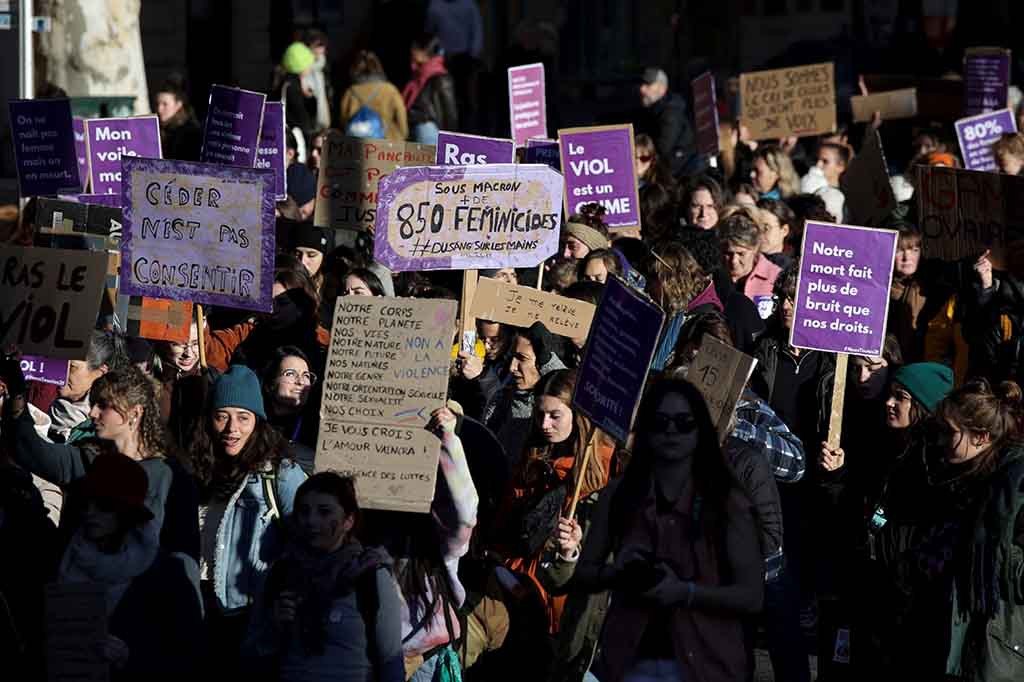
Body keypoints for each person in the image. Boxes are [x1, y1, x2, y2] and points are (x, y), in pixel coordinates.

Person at [571, 379, 764, 681]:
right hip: (630, 657)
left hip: (705, 659)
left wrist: (686, 592)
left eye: (684, 422)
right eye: (660, 422)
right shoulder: (620, 494)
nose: (671, 431)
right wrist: (619, 573)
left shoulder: (728, 502)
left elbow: (751, 596)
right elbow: (584, 573)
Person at [3, 362, 199, 564]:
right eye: (94, 403)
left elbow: (184, 556)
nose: (92, 413)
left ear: (135, 413)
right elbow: (28, 448)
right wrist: (17, 392)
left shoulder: (173, 477)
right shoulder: (87, 459)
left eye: (104, 405)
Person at [490, 369, 616, 679]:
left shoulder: (603, 472)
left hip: (559, 612)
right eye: (539, 414)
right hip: (516, 590)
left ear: (578, 415)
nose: (544, 424)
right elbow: (509, 516)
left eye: (555, 416)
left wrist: (571, 548)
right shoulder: (533, 453)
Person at [184, 364, 306, 673]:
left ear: (258, 422)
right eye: (222, 416)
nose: (231, 429)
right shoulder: (198, 471)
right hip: (200, 611)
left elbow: (309, 540)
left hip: (250, 618)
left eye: (243, 418)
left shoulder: (281, 474)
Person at [245, 472, 405, 682]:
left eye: (324, 512)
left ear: (348, 521)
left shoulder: (370, 578)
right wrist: (273, 627)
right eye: (304, 511)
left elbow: (391, 663)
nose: (311, 521)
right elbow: (249, 659)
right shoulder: (280, 575)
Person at [57, 453, 203, 681]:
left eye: (104, 505)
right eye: (86, 503)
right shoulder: (65, 556)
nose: (91, 512)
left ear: (126, 512)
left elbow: (187, 659)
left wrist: (131, 658)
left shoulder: (168, 574)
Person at [937, 380, 1024, 680]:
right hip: (956, 632)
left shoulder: (1016, 487)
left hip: (997, 646)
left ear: (982, 436)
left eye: (950, 432)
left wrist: (993, 549)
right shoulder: (960, 478)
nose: (941, 440)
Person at [482, 322, 567, 462]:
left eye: (522, 358)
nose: (512, 367)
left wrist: (549, 365)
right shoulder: (502, 399)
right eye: (512, 357)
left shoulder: (566, 408)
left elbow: (565, 381)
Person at [647, 240, 723, 372]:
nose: (648, 287)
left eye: (653, 279)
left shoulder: (707, 321)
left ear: (670, 281)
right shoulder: (673, 309)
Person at [47, 331, 127, 443]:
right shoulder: (46, 404)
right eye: (61, 364)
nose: (61, 372)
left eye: (72, 367)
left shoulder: (100, 432)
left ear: (100, 373)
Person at [261, 346, 319, 472]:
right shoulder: (252, 423)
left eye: (306, 376)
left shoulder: (316, 429)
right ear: (270, 384)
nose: (300, 382)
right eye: (290, 374)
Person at [718, 211, 782, 318]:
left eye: (741, 254)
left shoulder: (775, 277)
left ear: (755, 249)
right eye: (728, 253)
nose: (734, 261)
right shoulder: (713, 278)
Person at [637, 67, 696, 177]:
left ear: (662, 88)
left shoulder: (671, 112)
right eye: (642, 84)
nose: (642, 89)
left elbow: (663, 148)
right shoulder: (653, 109)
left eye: (648, 85)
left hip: (677, 172)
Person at [339, 50, 408, 140]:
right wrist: (401, 136)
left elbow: (343, 120)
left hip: (357, 144)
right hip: (387, 144)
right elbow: (401, 116)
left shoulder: (350, 92)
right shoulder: (390, 89)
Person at [403, 33, 457, 144]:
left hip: (427, 131)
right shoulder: (418, 75)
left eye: (414, 48)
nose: (411, 51)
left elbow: (450, 113)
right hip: (415, 130)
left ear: (424, 51)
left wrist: (450, 141)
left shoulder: (440, 77)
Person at [278, 41, 317, 155]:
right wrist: (309, 98)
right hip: (295, 137)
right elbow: (302, 116)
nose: (311, 67)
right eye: (308, 63)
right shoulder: (292, 86)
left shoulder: (289, 82)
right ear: (301, 64)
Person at [154, 75, 201, 161]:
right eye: (157, 104)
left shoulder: (189, 133)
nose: (159, 109)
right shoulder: (157, 128)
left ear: (178, 104)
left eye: (165, 104)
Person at [303, 29, 333, 132]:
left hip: (322, 113)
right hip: (308, 114)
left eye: (322, 45)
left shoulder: (323, 66)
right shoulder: (303, 67)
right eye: (318, 45)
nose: (321, 49)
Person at [755, 198, 796, 269]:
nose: (759, 234)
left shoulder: (791, 268)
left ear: (784, 230)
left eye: (766, 228)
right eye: (755, 227)